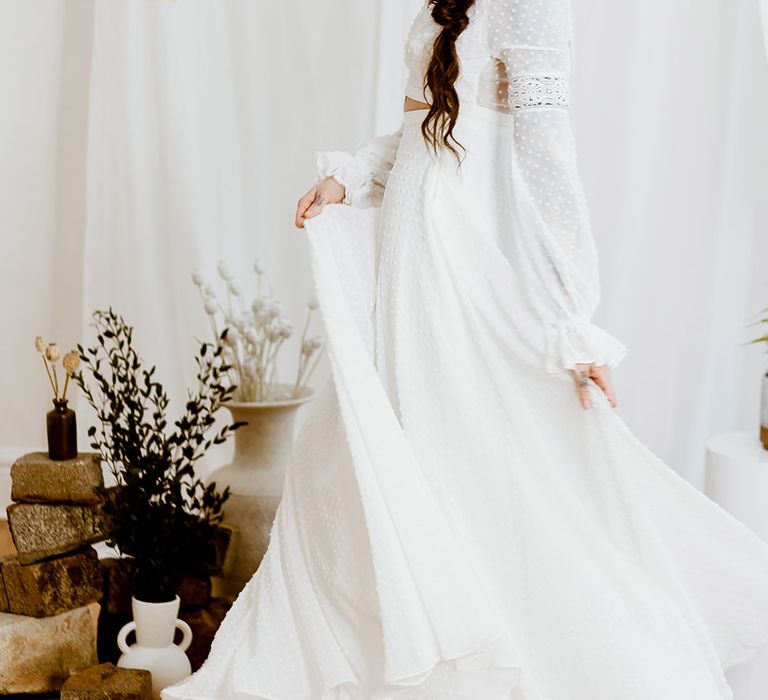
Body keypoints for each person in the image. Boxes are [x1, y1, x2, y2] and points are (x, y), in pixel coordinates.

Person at [164, 1, 768, 698]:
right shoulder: (441, 5)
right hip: (407, 267)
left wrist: (572, 315)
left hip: (462, 269)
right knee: (380, 456)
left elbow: (548, 162)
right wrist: (350, 178)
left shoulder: (532, 10)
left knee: (477, 464)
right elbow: (419, 131)